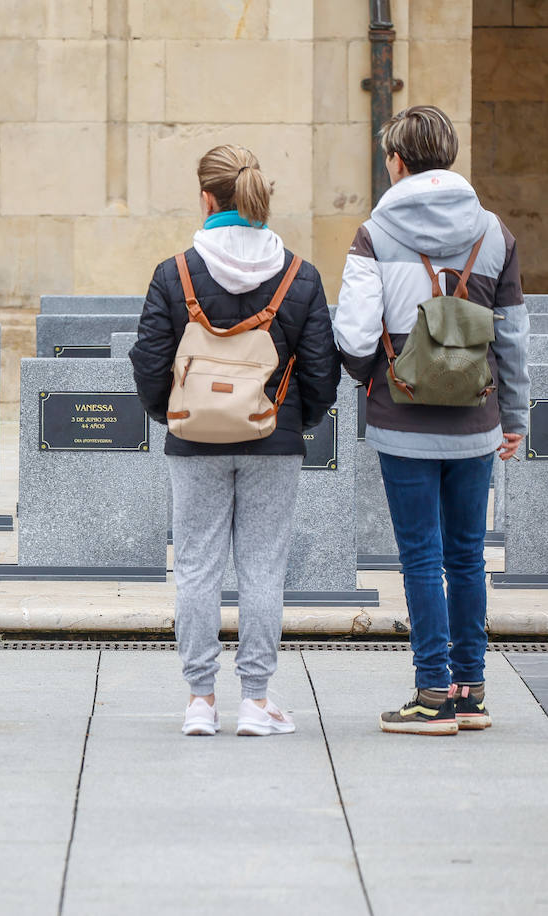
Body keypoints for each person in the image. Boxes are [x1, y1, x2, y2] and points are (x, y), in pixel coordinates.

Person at [131, 145, 339, 738]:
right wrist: (295, 421)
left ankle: (200, 700)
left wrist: (172, 415)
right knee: (263, 568)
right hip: (272, 438)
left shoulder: (173, 273)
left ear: (206, 198)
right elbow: (321, 371)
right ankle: (255, 700)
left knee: (196, 567)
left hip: (193, 440)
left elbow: (149, 362)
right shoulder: (300, 275)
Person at [333, 106, 528, 735]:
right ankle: (470, 692)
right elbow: (512, 337)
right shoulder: (494, 234)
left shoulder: (373, 234)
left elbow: (354, 334)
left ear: (396, 160)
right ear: (448, 156)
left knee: (420, 556)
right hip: (478, 418)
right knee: (467, 555)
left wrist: (370, 378)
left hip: (403, 416)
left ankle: (431, 694)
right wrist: (514, 415)